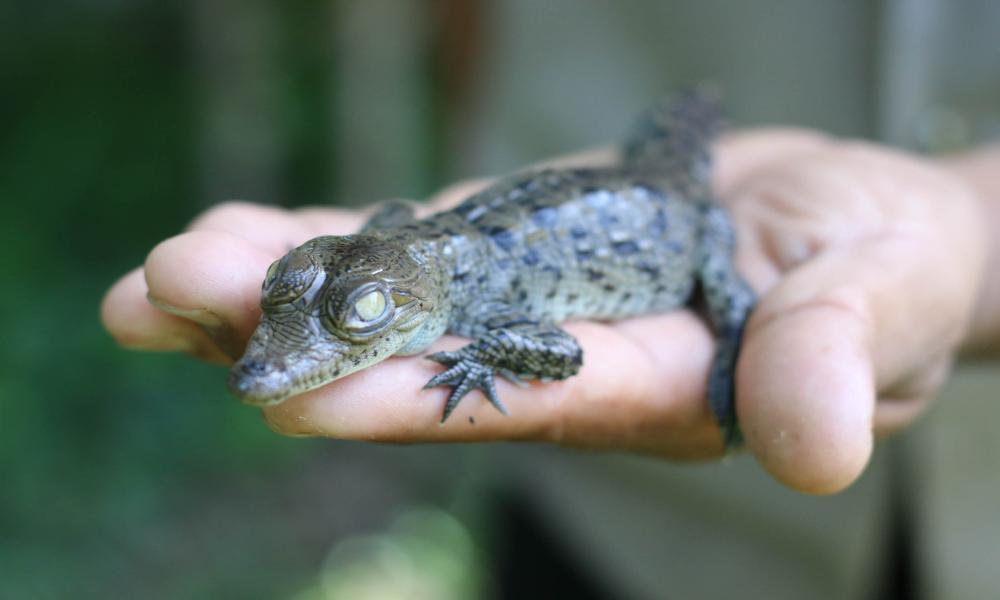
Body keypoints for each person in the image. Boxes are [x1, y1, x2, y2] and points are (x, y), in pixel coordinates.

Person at [101, 131, 1000, 494]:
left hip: (681, 220)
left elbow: (562, 354)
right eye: (291, 290)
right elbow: (391, 225)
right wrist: (344, 281)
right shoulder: (406, 255)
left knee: (740, 315)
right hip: (574, 527)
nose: (268, 362)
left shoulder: (476, 304)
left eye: (358, 314)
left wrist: (479, 358)